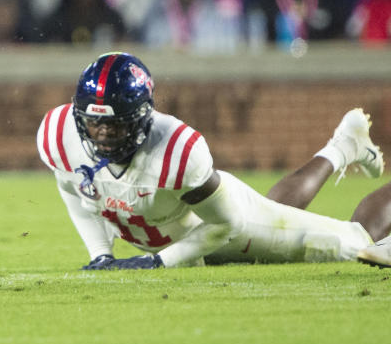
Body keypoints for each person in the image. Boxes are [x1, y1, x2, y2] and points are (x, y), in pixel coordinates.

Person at [36, 51, 391, 271]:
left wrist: (157, 262)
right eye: (94, 123)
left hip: (223, 228)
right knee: (275, 208)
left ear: (143, 118)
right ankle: (343, 145)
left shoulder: (176, 149)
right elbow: (73, 188)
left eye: (115, 126)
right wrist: (101, 253)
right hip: (187, 233)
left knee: (358, 245)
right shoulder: (58, 132)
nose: (101, 135)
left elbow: (228, 224)